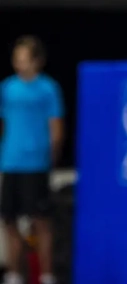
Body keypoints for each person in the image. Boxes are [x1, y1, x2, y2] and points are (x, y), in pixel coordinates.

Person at [0, 36, 63, 284]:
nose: (19, 64)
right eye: (16, 60)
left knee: (40, 221)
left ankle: (46, 275)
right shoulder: (6, 87)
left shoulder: (48, 89)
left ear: (38, 61)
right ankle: (14, 274)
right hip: (10, 162)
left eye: (24, 60)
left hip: (36, 164)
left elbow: (56, 128)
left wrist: (51, 158)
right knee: (9, 220)